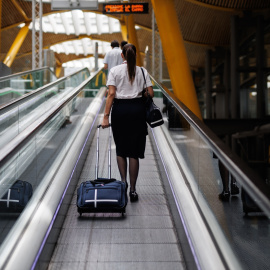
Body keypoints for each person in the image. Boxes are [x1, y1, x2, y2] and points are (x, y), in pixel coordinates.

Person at [101, 43, 154, 202]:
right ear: (135, 55)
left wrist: (105, 116)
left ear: (122, 56)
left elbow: (111, 94)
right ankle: (133, 190)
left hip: (120, 112)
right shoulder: (143, 71)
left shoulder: (114, 71)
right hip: (137, 112)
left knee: (121, 150)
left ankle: (123, 183)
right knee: (134, 153)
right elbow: (150, 93)